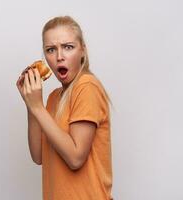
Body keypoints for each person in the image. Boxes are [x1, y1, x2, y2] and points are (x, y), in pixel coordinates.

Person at [16, 16, 113, 200]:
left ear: (82, 50)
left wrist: (37, 107)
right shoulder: (53, 98)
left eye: (68, 47)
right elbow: (38, 157)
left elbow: (76, 158)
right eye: (51, 49)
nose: (59, 56)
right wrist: (31, 104)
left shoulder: (87, 86)